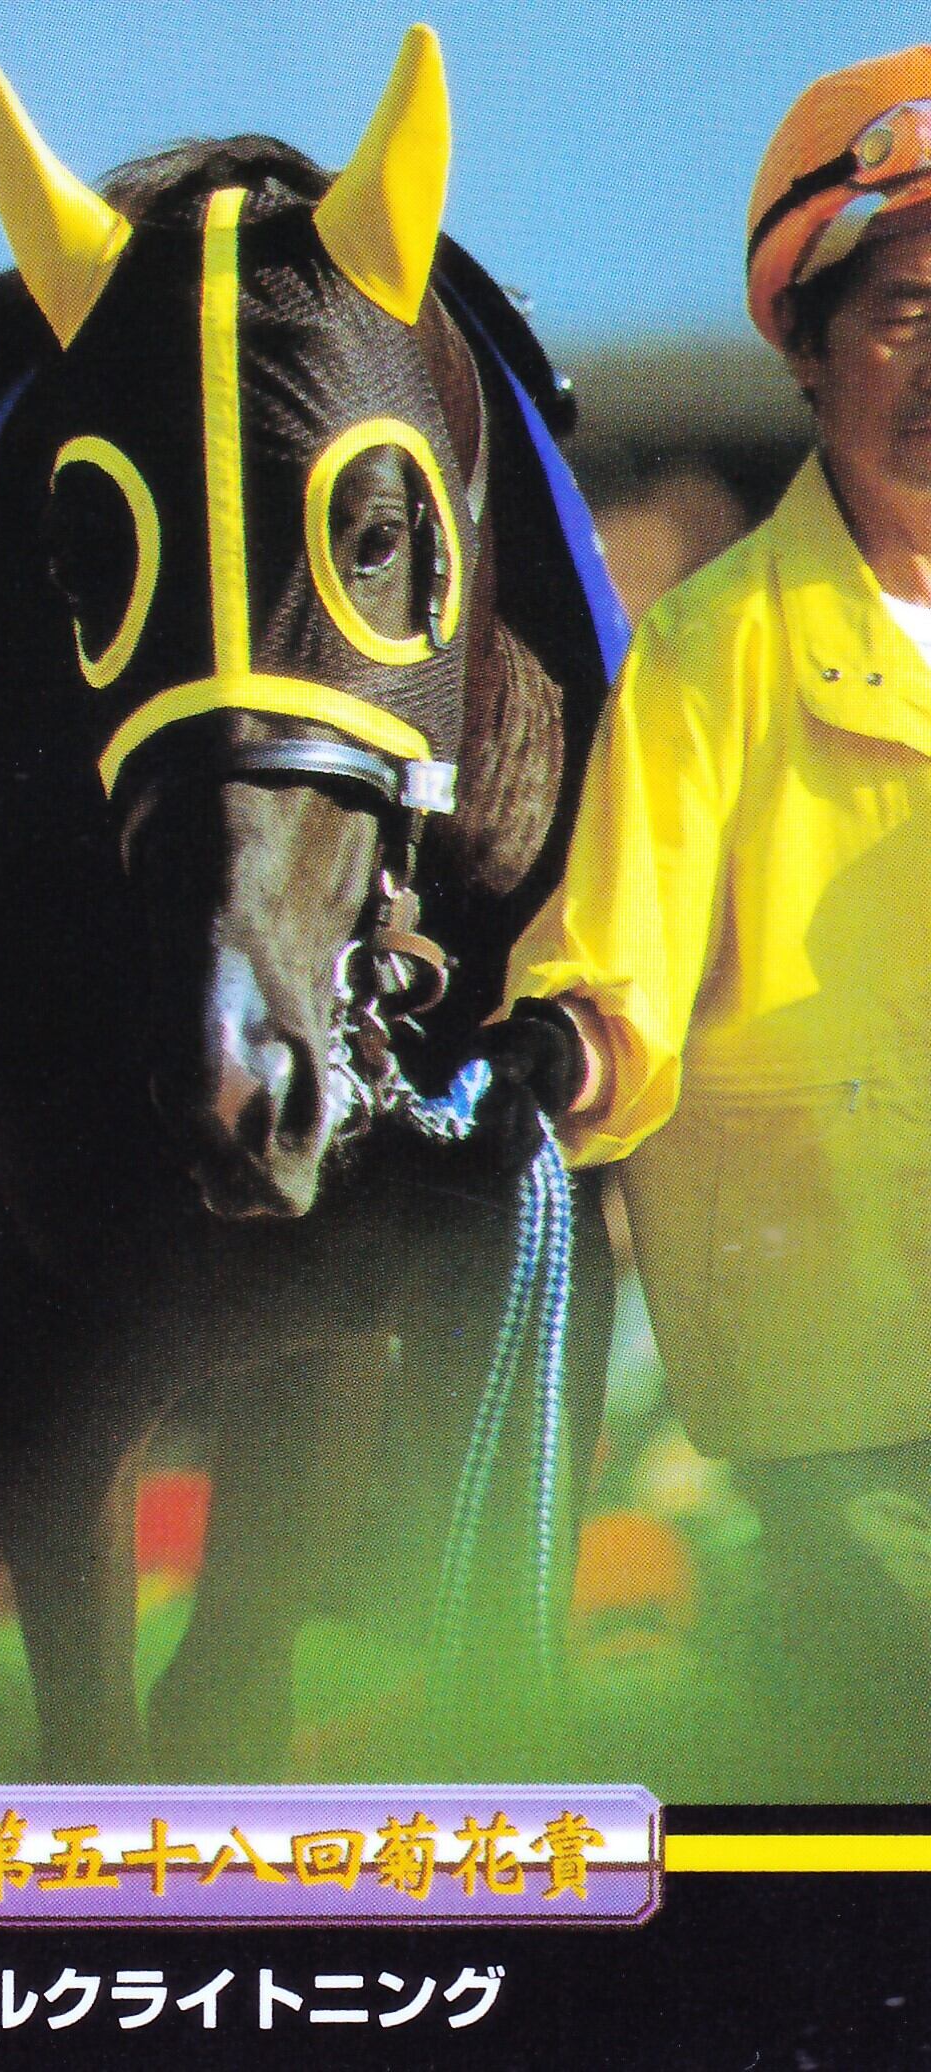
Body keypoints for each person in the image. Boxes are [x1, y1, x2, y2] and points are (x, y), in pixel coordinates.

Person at [471, 48, 931, 1791]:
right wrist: (557, 1057)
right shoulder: (707, 655)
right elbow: (617, 974)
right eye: (901, 312)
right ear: (804, 348)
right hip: (848, 1398)